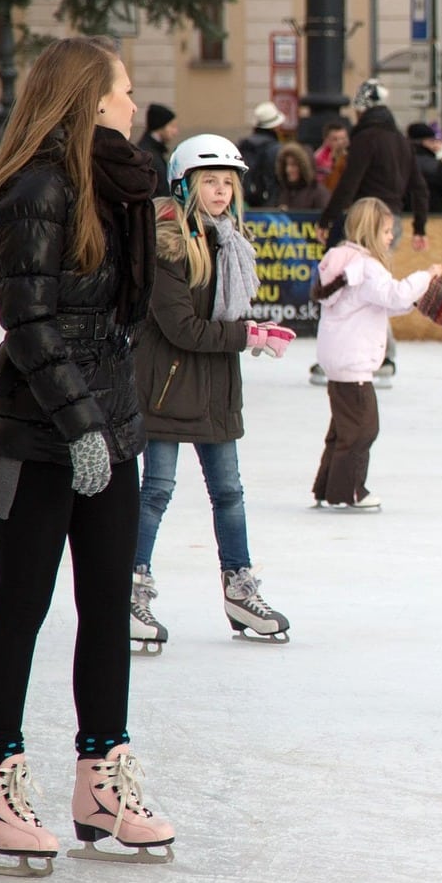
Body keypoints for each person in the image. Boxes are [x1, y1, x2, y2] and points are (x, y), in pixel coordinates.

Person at [0, 35, 174, 877]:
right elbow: (30, 320)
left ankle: (102, 779)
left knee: (106, 605)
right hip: (35, 435)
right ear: (87, 98)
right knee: (22, 603)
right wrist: (79, 423)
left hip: (110, 433)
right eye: (122, 91)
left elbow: (114, 320)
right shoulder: (36, 189)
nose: (131, 104)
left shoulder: (109, 189)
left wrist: (109, 427)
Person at [129, 133, 297, 651]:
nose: (221, 191)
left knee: (230, 494)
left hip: (216, 387)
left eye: (228, 183)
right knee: (155, 493)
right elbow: (181, 326)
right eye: (210, 182)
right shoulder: (168, 241)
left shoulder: (229, 240)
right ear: (185, 184)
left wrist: (255, 330)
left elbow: (222, 317)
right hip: (166, 388)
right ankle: (129, 590)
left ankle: (238, 588)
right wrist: (246, 335)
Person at [310, 197, 442, 511]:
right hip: (354, 361)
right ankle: (350, 491)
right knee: (362, 428)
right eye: (387, 231)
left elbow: (385, 303)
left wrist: (418, 298)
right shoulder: (366, 267)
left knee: (343, 428)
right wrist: (425, 276)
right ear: (371, 231)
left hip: (337, 359)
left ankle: (327, 487)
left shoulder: (339, 258)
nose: (390, 238)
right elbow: (394, 293)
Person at [314, 79, 430, 387]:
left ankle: (378, 355)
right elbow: (418, 186)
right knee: (375, 284)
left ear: (363, 109)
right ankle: (377, 355)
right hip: (393, 221)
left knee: (358, 285)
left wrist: (327, 220)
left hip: (367, 221)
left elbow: (349, 184)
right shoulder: (401, 141)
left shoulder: (366, 139)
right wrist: (419, 226)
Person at [237, 100, 286, 208]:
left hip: (245, 201)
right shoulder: (276, 149)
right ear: (276, 126)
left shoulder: (243, 145)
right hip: (270, 203)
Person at [274, 141, 330, 211]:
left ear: (304, 167)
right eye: (286, 165)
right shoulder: (283, 191)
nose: (288, 169)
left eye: (293, 165)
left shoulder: (319, 193)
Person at [137, 103, 178, 198]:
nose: (175, 131)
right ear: (160, 126)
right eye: (172, 126)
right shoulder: (147, 154)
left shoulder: (153, 151)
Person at [314, 120, 350, 192]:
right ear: (326, 140)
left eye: (343, 138)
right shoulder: (319, 159)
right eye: (335, 139)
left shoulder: (350, 154)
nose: (340, 142)